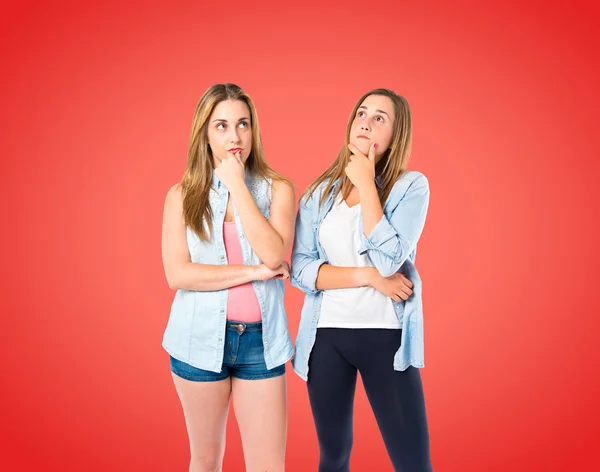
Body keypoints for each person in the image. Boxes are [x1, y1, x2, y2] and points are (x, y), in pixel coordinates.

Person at [291, 88, 433, 471]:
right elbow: (301, 270)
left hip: (385, 336)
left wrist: (368, 185)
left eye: (380, 118)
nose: (366, 122)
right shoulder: (319, 194)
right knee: (333, 457)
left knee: (413, 463)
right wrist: (367, 277)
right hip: (327, 337)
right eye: (361, 113)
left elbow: (390, 262)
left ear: (394, 135)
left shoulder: (411, 187)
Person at [161, 83, 296, 472]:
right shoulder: (181, 196)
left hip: (261, 344)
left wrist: (237, 184)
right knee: (205, 460)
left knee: (268, 465)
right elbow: (179, 274)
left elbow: (275, 252)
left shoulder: (278, 190)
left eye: (242, 124)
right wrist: (255, 272)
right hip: (198, 339)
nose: (234, 136)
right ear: (204, 133)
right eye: (221, 126)